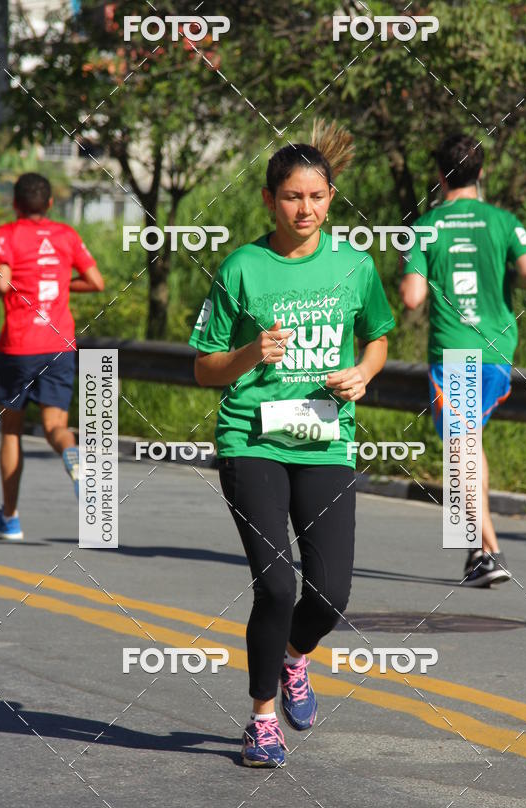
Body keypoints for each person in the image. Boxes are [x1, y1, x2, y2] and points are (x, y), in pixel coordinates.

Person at [189, 121, 395, 767]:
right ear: (268, 201)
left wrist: (364, 372)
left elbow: (379, 335)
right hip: (252, 438)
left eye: (316, 197)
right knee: (276, 585)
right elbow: (204, 368)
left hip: (326, 440)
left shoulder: (355, 265)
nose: (304, 210)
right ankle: (260, 721)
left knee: (330, 595)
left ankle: (294, 658)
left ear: (332, 198)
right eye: (290, 198)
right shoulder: (244, 267)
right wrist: (252, 352)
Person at [399, 133, 526, 586]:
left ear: (440, 176)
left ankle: (492, 552)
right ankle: (474, 554)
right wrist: (501, 280)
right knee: (470, 448)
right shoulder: (503, 221)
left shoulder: (425, 226)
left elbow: (412, 298)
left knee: (460, 453)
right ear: (481, 173)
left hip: (454, 350)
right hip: (498, 350)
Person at [0, 172, 105, 540]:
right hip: (59, 346)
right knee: (55, 427)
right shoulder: (66, 235)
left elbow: (3, 282)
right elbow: (97, 282)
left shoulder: (5, 234)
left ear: (15, 204)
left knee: (11, 430)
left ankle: (11, 518)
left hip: (19, 347)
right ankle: (77, 461)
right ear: (50, 204)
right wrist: (59, 284)